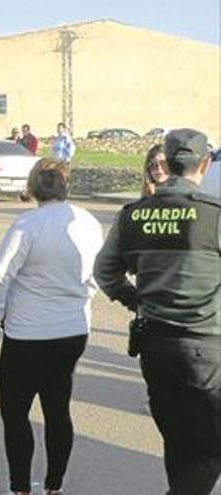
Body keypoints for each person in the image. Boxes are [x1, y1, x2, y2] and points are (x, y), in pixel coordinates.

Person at [94, 129, 221, 495]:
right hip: (206, 345)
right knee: (211, 449)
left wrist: (136, 300)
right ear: (205, 164)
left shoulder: (134, 215)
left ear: (165, 160)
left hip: (156, 344)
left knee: (178, 441)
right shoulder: (212, 216)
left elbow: (105, 272)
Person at [0, 159, 103, 495]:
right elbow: (97, 272)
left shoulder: (27, 223)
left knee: (16, 413)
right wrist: (83, 298)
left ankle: (20, 486)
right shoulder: (88, 221)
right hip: (72, 328)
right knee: (57, 408)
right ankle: (54, 485)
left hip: (27, 331)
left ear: (34, 187)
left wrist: (0, 313)